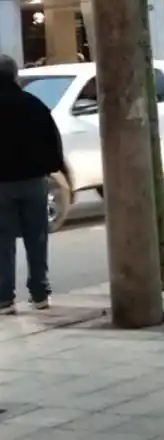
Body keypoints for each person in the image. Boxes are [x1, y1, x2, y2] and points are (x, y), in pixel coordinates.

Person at [0, 54, 64, 315]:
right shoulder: (35, 105)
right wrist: (47, 168)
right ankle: (39, 293)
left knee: (2, 241)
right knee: (36, 238)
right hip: (33, 182)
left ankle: (4, 298)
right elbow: (53, 144)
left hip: (1, 185)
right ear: (15, 76)